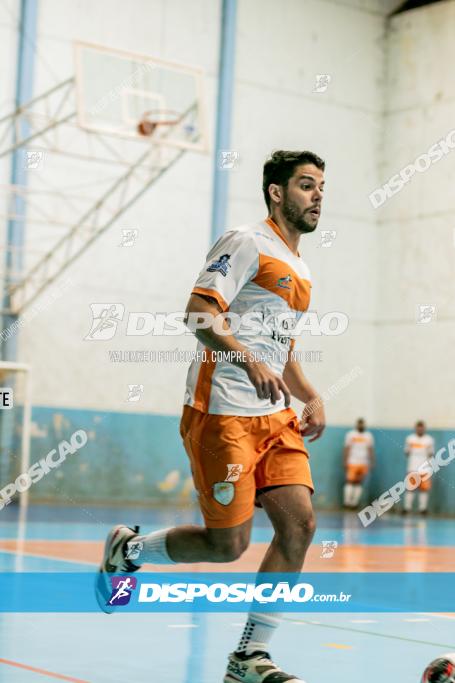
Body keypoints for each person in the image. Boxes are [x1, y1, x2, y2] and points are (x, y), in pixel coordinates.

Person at [96, 150, 327, 683]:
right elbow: (199, 314)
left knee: (300, 525)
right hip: (222, 413)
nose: (317, 196)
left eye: (321, 187)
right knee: (228, 546)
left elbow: (279, 347)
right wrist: (245, 362)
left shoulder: (302, 269)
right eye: (306, 186)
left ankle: (248, 657)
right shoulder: (246, 242)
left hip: (276, 420)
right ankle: (129, 550)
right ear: (277, 192)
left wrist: (309, 394)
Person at [403, 420, 435, 515]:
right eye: (418, 428)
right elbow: (406, 453)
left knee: (424, 489)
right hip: (412, 468)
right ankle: (407, 508)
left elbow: (431, 454)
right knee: (410, 488)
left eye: (422, 428)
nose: (420, 430)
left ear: (424, 429)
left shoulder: (429, 440)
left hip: (425, 469)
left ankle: (423, 509)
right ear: (416, 428)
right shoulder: (410, 439)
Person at [343, 418, 375, 509]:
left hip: (364, 463)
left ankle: (354, 504)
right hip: (352, 462)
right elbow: (346, 448)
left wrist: (372, 462)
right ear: (357, 425)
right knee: (349, 481)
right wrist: (345, 460)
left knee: (358, 482)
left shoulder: (369, 436)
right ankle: (347, 502)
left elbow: (370, 450)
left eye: (362, 424)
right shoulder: (350, 435)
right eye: (359, 424)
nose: (361, 426)